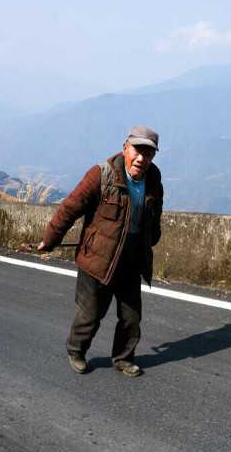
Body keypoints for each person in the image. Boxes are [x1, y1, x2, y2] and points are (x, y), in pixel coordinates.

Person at [36, 125, 163, 377]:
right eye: (137, 150)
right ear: (125, 148)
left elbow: (154, 218)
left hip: (131, 259)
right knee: (92, 313)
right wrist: (50, 240)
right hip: (97, 259)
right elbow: (69, 209)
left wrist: (151, 237)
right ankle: (76, 350)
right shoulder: (101, 176)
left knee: (131, 317)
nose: (141, 158)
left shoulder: (154, 182)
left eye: (148, 154)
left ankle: (123, 358)